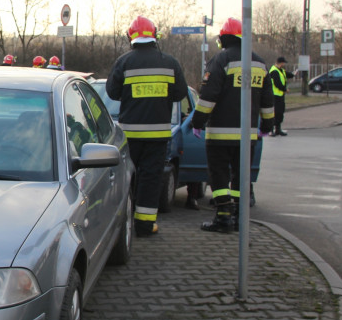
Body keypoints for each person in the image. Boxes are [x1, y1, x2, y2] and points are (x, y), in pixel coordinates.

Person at [190, 18, 275, 233]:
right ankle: (238, 217)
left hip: (220, 134)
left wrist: (197, 122)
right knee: (241, 176)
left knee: (219, 175)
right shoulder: (260, 63)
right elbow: (267, 101)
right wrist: (267, 125)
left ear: (224, 38)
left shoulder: (220, 61)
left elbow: (208, 97)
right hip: (248, 136)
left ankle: (223, 218)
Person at [106, 16, 188, 236]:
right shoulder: (170, 63)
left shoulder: (123, 62)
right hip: (158, 135)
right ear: (155, 35)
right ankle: (144, 225)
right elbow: (181, 93)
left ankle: (124, 223)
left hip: (129, 134)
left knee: (127, 177)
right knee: (151, 178)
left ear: (130, 36)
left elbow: (112, 92)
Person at [268, 56, 289, 136]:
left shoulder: (280, 70)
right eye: (283, 62)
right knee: (274, 113)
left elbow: (286, 75)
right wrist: (285, 89)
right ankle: (271, 130)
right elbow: (277, 84)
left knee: (280, 112)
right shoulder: (274, 71)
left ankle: (278, 129)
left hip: (280, 95)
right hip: (274, 95)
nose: (284, 64)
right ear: (280, 63)